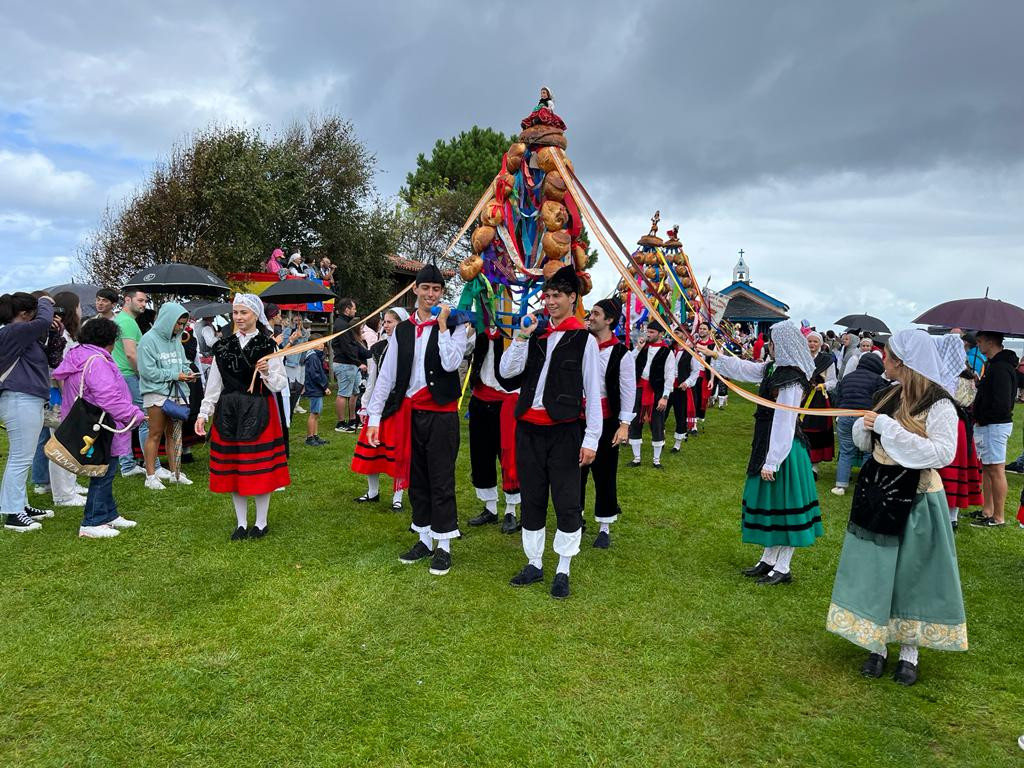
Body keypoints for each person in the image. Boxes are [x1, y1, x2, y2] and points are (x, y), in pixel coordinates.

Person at [826, 329, 967, 686]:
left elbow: (942, 453)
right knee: (877, 568)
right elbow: (869, 443)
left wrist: (888, 427)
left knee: (911, 573)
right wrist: (864, 428)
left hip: (917, 497)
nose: (882, 359)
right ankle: (878, 645)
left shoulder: (939, 404)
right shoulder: (887, 394)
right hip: (879, 490)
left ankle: (909, 651)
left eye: (887, 355)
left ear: (904, 362)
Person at [499, 266, 602, 599]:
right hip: (528, 428)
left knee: (567, 499)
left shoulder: (584, 339)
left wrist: (591, 440)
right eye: (548, 294)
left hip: (564, 430)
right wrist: (520, 337)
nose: (551, 301)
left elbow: (593, 390)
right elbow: (507, 373)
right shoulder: (536, 334)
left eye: (558, 295)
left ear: (573, 298)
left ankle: (563, 568)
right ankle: (534, 562)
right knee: (532, 497)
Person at [701, 320, 823, 585]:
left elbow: (785, 420)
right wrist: (717, 357)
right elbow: (748, 369)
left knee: (785, 506)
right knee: (773, 504)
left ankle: (783, 566)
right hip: (767, 442)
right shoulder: (774, 369)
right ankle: (769, 559)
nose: (769, 345)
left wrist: (773, 460)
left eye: (773, 342)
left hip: (783, 449)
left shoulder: (791, 378)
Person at [367, 265, 468, 576]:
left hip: (441, 414)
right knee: (418, 478)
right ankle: (424, 538)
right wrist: (373, 416)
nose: (431, 294)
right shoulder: (403, 329)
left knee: (441, 478)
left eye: (436, 290)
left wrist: (442, 327)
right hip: (411, 412)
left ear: (442, 293)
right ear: (415, 290)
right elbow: (388, 374)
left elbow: (452, 363)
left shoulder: (457, 323)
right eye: (426, 289)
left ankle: (444, 545)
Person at [196, 294, 290, 540]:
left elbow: (280, 384)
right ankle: (240, 523)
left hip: (259, 409)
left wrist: (268, 373)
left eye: (243, 313)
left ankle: (260, 522)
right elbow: (214, 384)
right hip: (229, 411)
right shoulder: (223, 346)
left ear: (255, 315)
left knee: (259, 470)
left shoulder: (269, 345)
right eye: (235, 312)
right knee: (235, 469)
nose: (238, 317)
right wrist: (204, 412)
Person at [52, 318, 146, 538]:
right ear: (109, 340)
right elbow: (108, 397)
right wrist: (133, 414)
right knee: (103, 472)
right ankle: (92, 521)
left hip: (91, 421)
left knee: (106, 470)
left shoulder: (80, 355)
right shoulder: (97, 361)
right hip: (102, 424)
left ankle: (108, 514)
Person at [580, 298, 635, 548]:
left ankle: (604, 525)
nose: (590, 317)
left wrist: (624, 424)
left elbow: (628, 390)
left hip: (606, 418)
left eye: (596, 314)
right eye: (590, 313)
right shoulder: (582, 344)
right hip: (577, 418)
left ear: (609, 320)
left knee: (604, 473)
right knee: (575, 473)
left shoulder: (622, 353)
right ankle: (575, 518)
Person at [0, 292, 57, 532]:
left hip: (25, 399)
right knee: (20, 457)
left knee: (20, 455)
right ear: (24, 314)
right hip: (19, 399)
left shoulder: (18, 334)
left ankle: (20, 505)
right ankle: (13, 513)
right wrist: (45, 301)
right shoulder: (13, 331)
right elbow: (43, 321)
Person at [466, 320, 523, 534]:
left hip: (506, 401)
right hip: (480, 398)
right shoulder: (479, 328)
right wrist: (469, 329)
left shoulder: (516, 329)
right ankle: (490, 507)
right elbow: (465, 350)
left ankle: (511, 510)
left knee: (509, 455)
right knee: (481, 455)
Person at [351, 307, 408, 510]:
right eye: (384, 322)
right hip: (379, 405)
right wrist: (367, 405)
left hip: (400, 404)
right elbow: (373, 379)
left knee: (397, 452)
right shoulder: (378, 348)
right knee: (372, 450)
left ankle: (398, 496)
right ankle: (373, 492)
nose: (386, 325)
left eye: (390, 322)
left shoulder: (411, 346)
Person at [137, 302, 195, 490]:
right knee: (155, 433)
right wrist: (175, 375)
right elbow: (147, 371)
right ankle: (151, 475)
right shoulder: (148, 339)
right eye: (178, 323)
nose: (180, 327)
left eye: (183, 324)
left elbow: (183, 363)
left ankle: (175, 473)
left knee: (173, 434)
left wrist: (188, 373)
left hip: (176, 391)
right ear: (167, 320)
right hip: (155, 392)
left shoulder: (177, 339)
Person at [112, 289, 165, 480]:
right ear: (127, 300)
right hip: (128, 375)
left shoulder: (121, 320)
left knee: (126, 420)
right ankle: (154, 466)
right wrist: (143, 375)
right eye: (140, 300)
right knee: (144, 420)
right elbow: (131, 353)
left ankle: (127, 464)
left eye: (145, 301)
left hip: (121, 375)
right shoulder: (126, 322)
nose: (143, 304)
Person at [969, 331, 1019, 528]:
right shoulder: (994, 365)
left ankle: (998, 517)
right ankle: (987, 510)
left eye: (980, 341)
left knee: (996, 469)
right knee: (988, 468)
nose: (978, 344)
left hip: (995, 425)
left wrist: (983, 417)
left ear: (991, 342)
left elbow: (1003, 403)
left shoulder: (1001, 368)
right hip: (990, 424)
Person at [831, 352, 886, 496]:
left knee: (845, 451)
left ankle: (840, 485)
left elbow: (838, 397)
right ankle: (863, 484)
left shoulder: (847, 378)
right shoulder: (877, 380)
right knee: (868, 451)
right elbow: (881, 402)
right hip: (865, 418)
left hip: (844, 416)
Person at [627, 319, 675, 468]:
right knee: (635, 422)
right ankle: (636, 458)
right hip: (639, 389)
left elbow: (670, 376)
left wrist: (665, 397)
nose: (648, 334)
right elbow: (627, 361)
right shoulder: (642, 347)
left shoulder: (667, 352)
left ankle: (656, 460)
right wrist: (638, 348)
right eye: (648, 331)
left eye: (652, 332)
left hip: (657, 392)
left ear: (661, 334)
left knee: (657, 424)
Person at [802, 331, 838, 477]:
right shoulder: (801, 358)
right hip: (802, 399)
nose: (812, 344)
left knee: (817, 432)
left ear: (821, 344)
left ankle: (814, 466)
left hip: (819, 400)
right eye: (809, 341)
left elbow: (833, 381)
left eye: (815, 342)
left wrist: (822, 386)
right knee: (801, 431)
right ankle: (802, 462)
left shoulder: (827, 360)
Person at [332, 298, 370, 433]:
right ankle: (341, 423)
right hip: (344, 364)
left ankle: (353, 419)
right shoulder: (341, 325)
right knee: (343, 394)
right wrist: (358, 362)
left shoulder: (345, 324)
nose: (355, 310)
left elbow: (354, 345)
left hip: (350, 364)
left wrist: (368, 354)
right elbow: (346, 347)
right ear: (347, 309)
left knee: (355, 392)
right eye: (353, 308)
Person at [669, 330, 701, 452]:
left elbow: (695, 371)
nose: (676, 334)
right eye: (674, 332)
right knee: (661, 414)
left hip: (681, 389)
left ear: (685, 335)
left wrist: (687, 383)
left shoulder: (690, 352)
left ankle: (677, 444)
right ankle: (659, 439)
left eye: (679, 332)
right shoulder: (668, 349)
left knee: (680, 416)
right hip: (667, 387)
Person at [302, 338, 330, 446]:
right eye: (319, 343)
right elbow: (315, 375)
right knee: (314, 413)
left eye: (322, 342)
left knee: (317, 413)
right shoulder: (313, 357)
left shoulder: (316, 356)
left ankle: (315, 435)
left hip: (316, 388)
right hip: (315, 389)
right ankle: (310, 437)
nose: (322, 345)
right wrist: (324, 387)